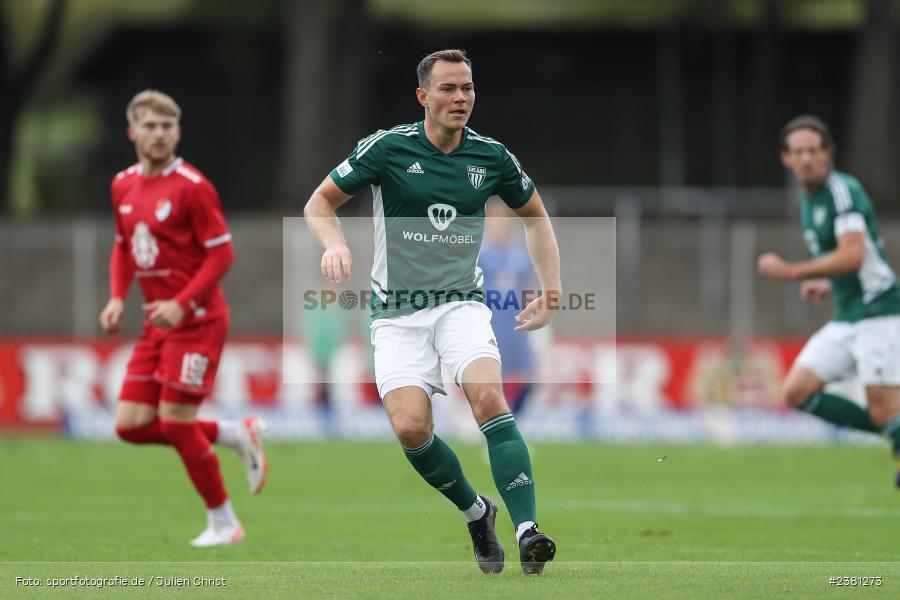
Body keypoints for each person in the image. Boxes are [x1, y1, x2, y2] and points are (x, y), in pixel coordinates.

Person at [304, 49, 560, 575]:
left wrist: (551, 288)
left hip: (460, 303)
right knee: (410, 429)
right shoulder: (388, 148)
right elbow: (319, 203)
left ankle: (528, 529)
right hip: (395, 314)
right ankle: (476, 512)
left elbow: (535, 217)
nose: (460, 97)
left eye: (466, 88)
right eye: (447, 88)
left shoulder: (492, 157)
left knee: (488, 396)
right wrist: (333, 244)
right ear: (424, 96)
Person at [99, 90, 268, 547]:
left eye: (167, 126)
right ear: (133, 131)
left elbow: (221, 256)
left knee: (175, 421)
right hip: (158, 322)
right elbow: (123, 244)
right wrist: (117, 296)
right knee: (130, 425)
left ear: (177, 132)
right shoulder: (123, 185)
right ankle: (232, 433)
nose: (159, 134)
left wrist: (181, 303)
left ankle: (223, 523)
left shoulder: (192, 186)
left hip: (197, 320)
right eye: (150, 126)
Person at [758, 115, 900, 482]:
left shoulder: (841, 191)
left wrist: (794, 271)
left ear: (828, 154)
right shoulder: (810, 199)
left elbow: (852, 254)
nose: (806, 158)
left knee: (884, 410)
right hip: (849, 314)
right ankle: (896, 435)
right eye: (798, 152)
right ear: (786, 159)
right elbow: (855, 258)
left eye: (813, 151)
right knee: (796, 391)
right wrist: (825, 281)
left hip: (879, 312)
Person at [481, 199, 537, 414]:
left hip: (517, 328)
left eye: (504, 221)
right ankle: (497, 432)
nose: (500, 225)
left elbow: (526, 288)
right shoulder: (479, 254)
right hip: (490, 328)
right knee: (494, 383)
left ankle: (514, 424)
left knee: (528, 379)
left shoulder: (520, 254)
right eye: (496, 221)